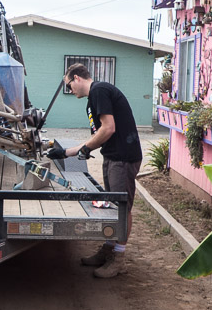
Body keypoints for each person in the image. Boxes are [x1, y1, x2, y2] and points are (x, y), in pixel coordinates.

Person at [47, 63, 143, 278]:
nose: (70, 90)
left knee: (121, 207)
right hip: (113, 156)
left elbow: (108, 128)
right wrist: (66, 153)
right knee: (113, 205)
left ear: (77, 78)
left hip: (123, 158)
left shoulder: (99, 90)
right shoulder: (94, 97)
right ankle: (108, 250)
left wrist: (84, 149)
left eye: (69, 85)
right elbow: (99, 135)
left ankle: (118, 258)